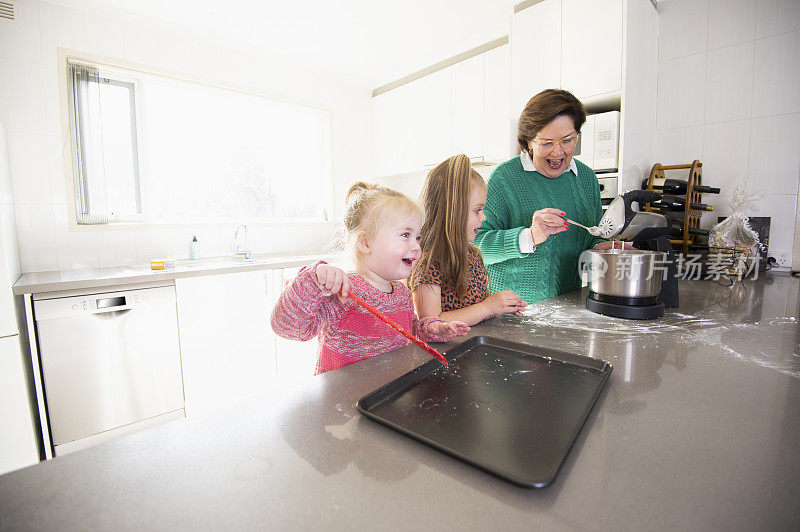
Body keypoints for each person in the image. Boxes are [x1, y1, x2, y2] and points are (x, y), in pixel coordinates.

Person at [271, 182, 470, 374]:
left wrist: (431, 329)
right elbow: (287, 327)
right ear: (366, 243)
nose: (417, 246)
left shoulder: (401, 292)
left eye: (417, 237)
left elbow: (409, 330)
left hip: (384, 395)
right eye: (405, 235)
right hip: (342, 399)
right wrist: (311, 280)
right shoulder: (342, 290)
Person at [474, 88, 613, 304]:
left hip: (568, 307)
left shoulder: (586, 178)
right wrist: (529, 236)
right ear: (529, 141)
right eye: (547, 143)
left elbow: (590, 235)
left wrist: (600, 246)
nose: (558, 153)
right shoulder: (505, 178)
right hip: (511, 311)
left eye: (567, 140)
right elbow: (475, 246)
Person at [410, 154, 527, 325]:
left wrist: (501, 306)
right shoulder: (428, 263)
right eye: (477, 210)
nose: (484, 217)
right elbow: (431, 323)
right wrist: (487, 308)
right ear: (453, 213)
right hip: (446, 351)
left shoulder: (473, 254)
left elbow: (477, 310)